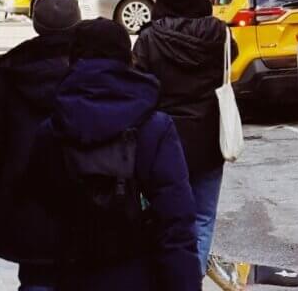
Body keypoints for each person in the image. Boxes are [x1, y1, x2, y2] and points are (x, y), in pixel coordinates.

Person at [33, 19, 202, 291]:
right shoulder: (155, 126)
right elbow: (176, 220)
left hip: (72, 272)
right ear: (126, 57)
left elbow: (40, 215)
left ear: (73, 59)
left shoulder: (51, 129)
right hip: (137, 272)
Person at [0, 0, 82, 290]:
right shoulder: (92, 66)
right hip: (84, 193)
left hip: (25, 192)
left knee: (36, 278)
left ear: (35, 23)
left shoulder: (13, 69)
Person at [133, 0, 237, 277]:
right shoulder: (219, 33)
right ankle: (192, 281)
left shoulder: (149, 38)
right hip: (208, 139)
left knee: (163, 216)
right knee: (203, 216)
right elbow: (229, 63)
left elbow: (139, 87)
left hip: (163, 141)